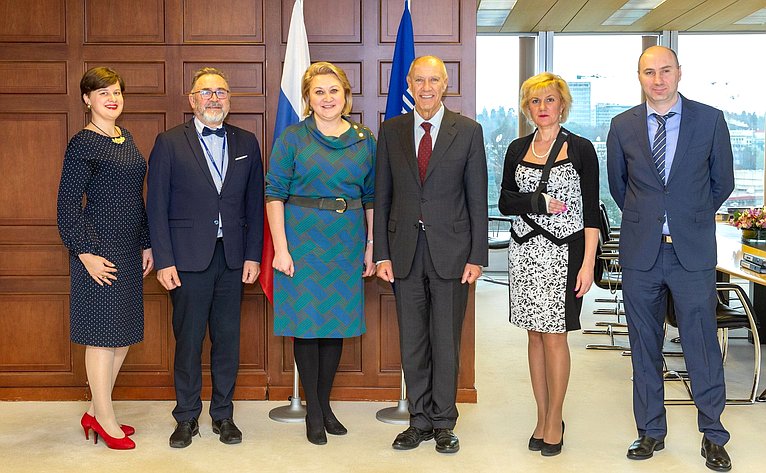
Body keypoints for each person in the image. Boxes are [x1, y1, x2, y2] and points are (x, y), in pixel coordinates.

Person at [607, 45, 734, 472]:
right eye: (649, 72)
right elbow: (620, 187)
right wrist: (651, 217)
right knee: (644, 345)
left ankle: (713, 435)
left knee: (701, 344)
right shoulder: (622, 125)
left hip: (691, 253)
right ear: (639, 77)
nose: (658, 80)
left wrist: (686, 216)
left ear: (679, 72)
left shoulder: (710, 120)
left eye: (665, 70)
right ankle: (650, 431)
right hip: (641, 253)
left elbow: (722, 182)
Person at [373, 55, 488, 454]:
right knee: (413, 341)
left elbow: (477, 197)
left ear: (445, 84)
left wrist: (477, 256)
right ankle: (418, 421)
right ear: (409, 84)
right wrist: (382, 253)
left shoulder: (468, 131)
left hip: (453, 253)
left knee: (445, 340)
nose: (426, 88)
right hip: (403, 252)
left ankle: (443, 422)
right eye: (419, 80)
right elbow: (382, 195)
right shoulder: (391, 130)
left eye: (433, 80)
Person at [146, 67, 264, 448]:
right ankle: (186, 417)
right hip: (186, 261)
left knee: (227, 340)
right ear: (192, 99)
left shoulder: (247, 142)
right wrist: (164, 260)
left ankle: (223, 415)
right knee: (189, 341)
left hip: (232, 259)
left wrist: (253, 255)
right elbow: (156, 206)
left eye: (221, 92)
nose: (214, 98)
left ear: (229, 100)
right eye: (206, 92)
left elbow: (254, 205)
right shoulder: (169, 142)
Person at [266, 62, 376, 446]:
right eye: (319, 92)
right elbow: (274, 194)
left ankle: (324, 404)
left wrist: (371, 245)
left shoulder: (364, 139)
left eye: (333, 91)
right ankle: (313, 411)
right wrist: (281, 248)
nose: (327, 98)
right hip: (301, 242)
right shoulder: (293, 137)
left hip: (347, 242)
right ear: (308, 98)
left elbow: (372, 196)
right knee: (307, 326)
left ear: (346, 96)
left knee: (335, 327)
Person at [498, 72, 599, 457]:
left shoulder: (581, 149)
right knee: (534, 336)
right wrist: (536, 202)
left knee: (555, 336)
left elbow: (591, 213)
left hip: (564, 254)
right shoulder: (516, 148)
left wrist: (587, 265)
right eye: (535, 101)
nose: (542, 107)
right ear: (527, 108)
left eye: (550, 100)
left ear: (562, 105)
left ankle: (555, 419)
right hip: (524, 253)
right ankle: (541, 417)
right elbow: (506, 202)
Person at [57, 67, 153, 450]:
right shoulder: (83, 143)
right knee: (101, 337)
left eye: (116, 92)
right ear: (87, 99)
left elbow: (135, 198)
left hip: (128, 250)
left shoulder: (125, 137)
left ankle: (95, 412)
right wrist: (85, 253)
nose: (112, 99)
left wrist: (146, 243)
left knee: (122, 336)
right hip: (98, 251)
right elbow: (67, 205)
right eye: (103, 93)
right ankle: (105, 419)